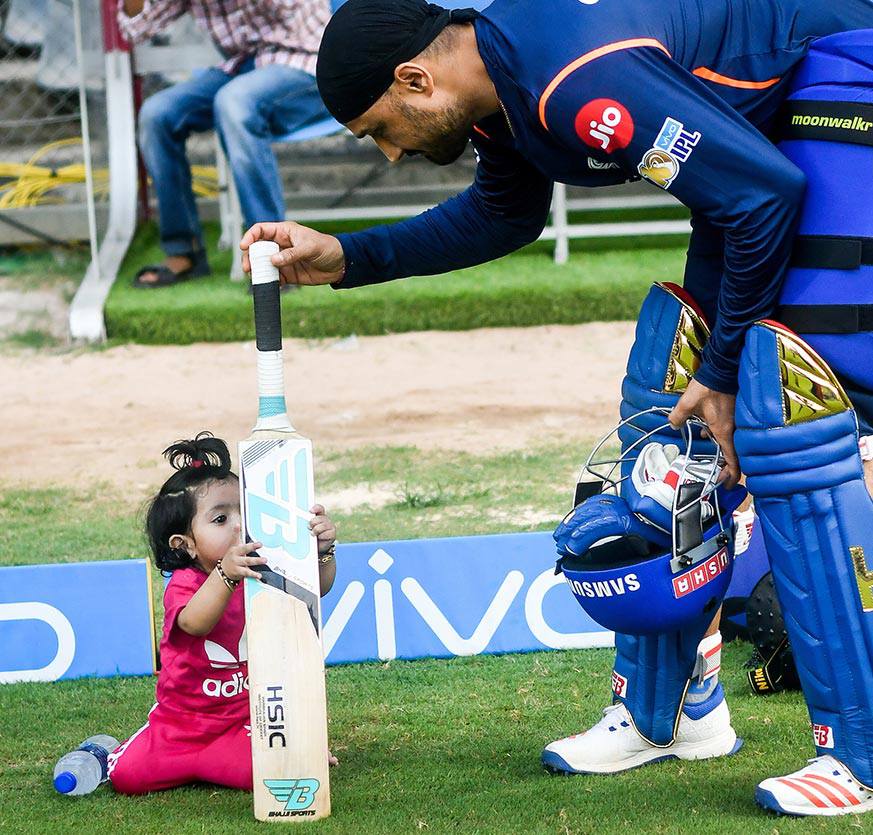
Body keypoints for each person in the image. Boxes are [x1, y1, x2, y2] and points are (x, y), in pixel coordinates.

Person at [237, 0, 873, 816]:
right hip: (761, 151)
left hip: (843, 68)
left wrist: (723, 370)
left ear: (415, 78)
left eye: (379, 129)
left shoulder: (572, 80)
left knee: (786, 403)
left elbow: (765, 197)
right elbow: (506, 213)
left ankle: (856, 754)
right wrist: (349, 256)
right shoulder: (502, 87)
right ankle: (671, 713)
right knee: (664, 407)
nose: (390, 153)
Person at [107, 432, 338, 794]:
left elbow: (317, 588)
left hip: (242, 723)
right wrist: (226, 575)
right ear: (185, 545)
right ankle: (104, 748)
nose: (238, 525)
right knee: (125, 779)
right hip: (178, 727)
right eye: (219, 519)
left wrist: (321, 551)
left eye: (244, 511)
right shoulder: (185, 583)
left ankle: (288, 746)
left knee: (271, 773)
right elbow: (195, 623)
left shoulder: (266, 566)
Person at [117, 0, 332, 287]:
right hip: (241, 68)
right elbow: (134, 29)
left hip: (306, 63)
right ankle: (184, 251)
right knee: (157, 115)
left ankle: (274, 254)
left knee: (234, 102)